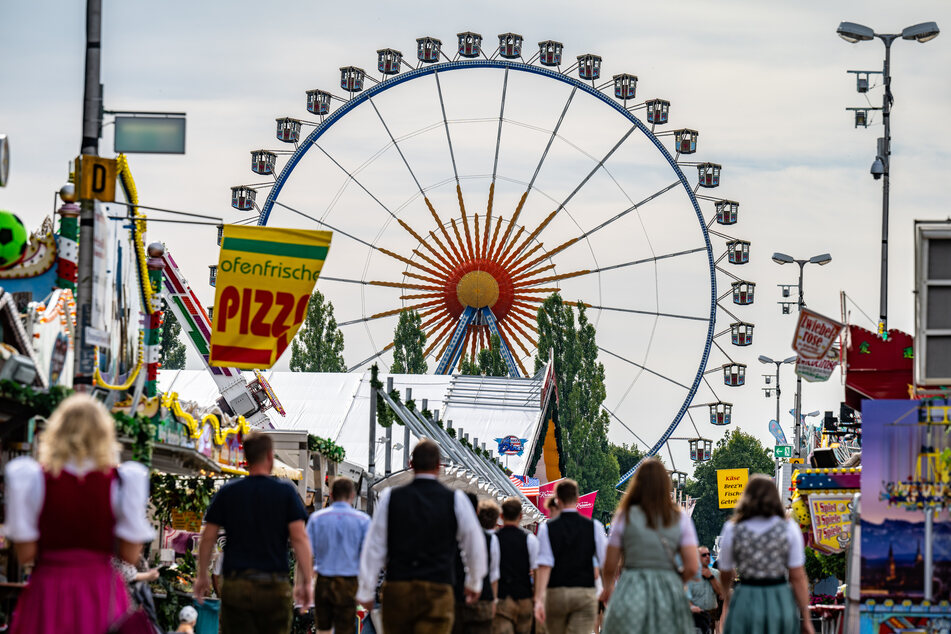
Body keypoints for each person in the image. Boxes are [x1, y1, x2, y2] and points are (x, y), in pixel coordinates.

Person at [3, 393, 155, 634]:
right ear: (105, 435)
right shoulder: (122, 482)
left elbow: (25, 554)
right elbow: (129, 554)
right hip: (100, 590)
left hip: (49, 589)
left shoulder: (33, 479)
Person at [357, 438, 488, 633]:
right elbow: (474, 546)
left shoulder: (390, 497)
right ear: (439, 466)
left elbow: (374, 546)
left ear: (411, 464)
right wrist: (474, 582)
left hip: (399, 586)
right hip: (438, 587)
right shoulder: (456, 500)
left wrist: (366, 590)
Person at [195, 430, 313, 634]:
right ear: (270, 456)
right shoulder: (285, 492)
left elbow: (208, 538)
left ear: (244, 457)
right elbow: (299, 538)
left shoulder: (228, 492)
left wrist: (202, 576)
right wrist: (307, 582)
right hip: (273, 585)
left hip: (236, 584)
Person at [599, 458, 699, 634]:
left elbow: (610, 563)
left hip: (631, 587)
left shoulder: (625, 515)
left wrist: (608, 587)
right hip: (669, 591)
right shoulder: (680, 518)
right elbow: (692, 566)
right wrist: (676, 581)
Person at [716, 475, 814, 634]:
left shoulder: (732, 528)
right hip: (779, 596)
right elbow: (797, 576)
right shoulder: (788, 528)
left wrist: (727, 595)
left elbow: (725, 570)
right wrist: (806, 617)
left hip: (746, 595)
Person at [533, 479, 607, 634]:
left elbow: (544, 566)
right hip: (584, 593)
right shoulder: (595, 527)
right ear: (577, 498)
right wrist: (607, 590)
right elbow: (605, 562)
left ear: (557, 500)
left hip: (556, 593)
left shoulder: (547, 529)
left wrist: (539, 599)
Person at [306, 476, 370, 634]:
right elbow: (367, 556)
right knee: (345, 628)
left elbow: (306, 553)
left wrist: (305, 584)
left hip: (323, 580)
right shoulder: (363, 520)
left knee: (323, 628)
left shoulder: (316, 518)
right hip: (349, 581)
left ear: (332, 494)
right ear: (352, 495)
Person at [493, 497, 538, 634]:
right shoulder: (530, 540)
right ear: (520, 516)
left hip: (502, 597)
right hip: (523, 596)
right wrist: (536, 596)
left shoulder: (494, 539)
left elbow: (492, 571)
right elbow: (536, 570)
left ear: (501, 516)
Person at [461, 499, 500, 633]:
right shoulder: (493, 540)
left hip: (459, 596)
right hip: (484, 598)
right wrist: (494, 600)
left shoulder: (460, 534)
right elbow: (494, 574)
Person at [686, 547, 722, 632]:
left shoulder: (716, 573)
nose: (707, 556)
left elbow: (721, 593)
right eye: (704, 555)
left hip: (711, 614)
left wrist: (711, 578)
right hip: (695, 614)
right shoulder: (691, 574)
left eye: (708, 554)